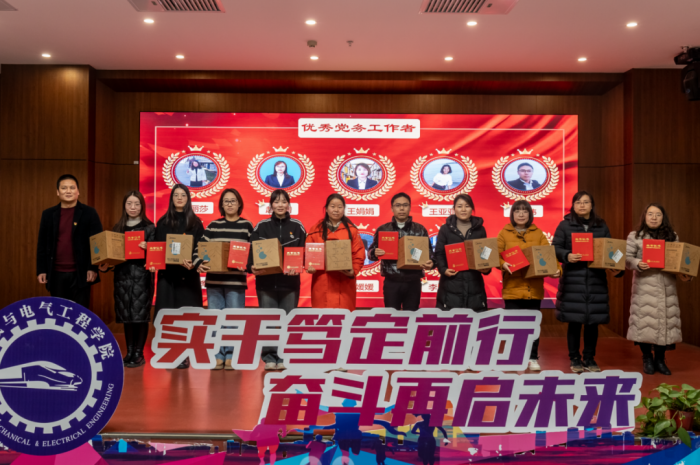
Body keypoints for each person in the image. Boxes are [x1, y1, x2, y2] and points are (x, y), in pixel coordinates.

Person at [552, 191, 623, 373]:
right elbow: (555, 248)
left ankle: (590, 358)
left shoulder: (601, 225)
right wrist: (567, 255)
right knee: (574, 321)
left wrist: (616, 266)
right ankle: (575, 358)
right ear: (573, 205)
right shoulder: (564, 225)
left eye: (585, 202)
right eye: (578, 202)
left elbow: (610, 250)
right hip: (573, 280)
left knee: (593, 322)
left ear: (592, 205)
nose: (582, 205)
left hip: (596, 280)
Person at [625, 204, 693, 375]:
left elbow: (677, 260)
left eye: (658, 214)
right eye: (650, 214)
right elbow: (626, 258)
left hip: (666, 286)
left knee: (665, 324)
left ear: (663, 217)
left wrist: (685, 272)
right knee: (644, 323)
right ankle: (647, 358)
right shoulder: (635, 236)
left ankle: (660, 360)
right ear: (645, 216)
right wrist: (637, 263)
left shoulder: (672, 236)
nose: (654, 217)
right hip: (644, 285)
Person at [497, 200, 561, 371]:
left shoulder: (538, 233)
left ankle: (532, 357)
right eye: (517, 211)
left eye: (524, 211)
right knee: (512, 325)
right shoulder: (504, 233)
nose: (521, 214)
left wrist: (557, 270)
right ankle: (513, 356)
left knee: (533, 325)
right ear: (512, 214)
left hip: (533, 287)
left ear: (530, 214)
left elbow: (548, 255)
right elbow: (496, 255)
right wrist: (502, 264)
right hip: (512, 287)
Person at [193, 189, 253, 370]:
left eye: (233, 201)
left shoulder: (247, 226)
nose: (229, 204)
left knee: (234, 321)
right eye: (226, 201)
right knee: (215, 320)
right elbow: (199, 249)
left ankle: (232, 355)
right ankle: (218, 355)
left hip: (236, 282)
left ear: (239, 203)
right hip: (214, 283)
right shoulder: (213, 226)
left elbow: (254, 252)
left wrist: (247, 265)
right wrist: (198, 263)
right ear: (221, 205)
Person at [249, 189, 306, 370]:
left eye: (283, 201)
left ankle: (284, 356)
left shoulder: (297, 226)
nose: (280, 205)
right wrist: (251, 266)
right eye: (276, 201)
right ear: (271, 205)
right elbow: (251, 251)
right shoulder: (261, 226)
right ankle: (269, 357)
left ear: (289, 205)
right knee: (268, 322)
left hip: (290, 284)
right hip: (266, 284)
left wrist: (301, 265)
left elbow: (305, 253)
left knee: (287, 322)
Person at [98, 191, 155, 368]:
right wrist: (106, 265)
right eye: (129, 203)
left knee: (140, 316)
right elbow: (113, 255)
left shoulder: (149, 227)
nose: (133, 207)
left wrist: (148, 248)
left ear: (142, 206)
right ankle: (129, 352)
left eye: (137, 204)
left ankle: (139, 353)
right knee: (126, 316)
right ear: (124, 206)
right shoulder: (118, 228)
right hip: (122, 276)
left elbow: (156, 255)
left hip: (141, 277)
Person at [151, 184, 204, 369]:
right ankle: (170, 352)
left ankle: (184, 354)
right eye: (176, 195)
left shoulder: (196, 223)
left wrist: (194, 262)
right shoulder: (163, 222)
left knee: (186, 316)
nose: (179, 198)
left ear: (188, 199)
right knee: (168, 316)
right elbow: (157, 248)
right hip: (168, 276)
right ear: (171, 199)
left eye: (183, 195)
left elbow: (200, 248)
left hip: (188, 276)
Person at [36, 174, 103, 309]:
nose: (68, 191)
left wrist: (92, 267)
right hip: (55, 273)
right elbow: (42, 244)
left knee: (79, 313)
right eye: (64, 188)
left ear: (78, 191)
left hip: (81, 274)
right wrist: (41, 270)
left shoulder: (89, 213)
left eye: (72, 188)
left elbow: (98, 242)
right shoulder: (48, 214)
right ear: (57, 192)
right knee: (59, 313)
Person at [368, 193, 434, 311]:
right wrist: (374, 253)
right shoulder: (383, 229)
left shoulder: (420, 229)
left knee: (412, 316)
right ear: (392, 208)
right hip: (391, 282)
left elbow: (429, 253)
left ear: (410, 207)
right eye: (398, 205)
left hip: (413, 281)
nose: (402, 208)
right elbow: (370, 253)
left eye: (405, 205)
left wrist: (431, 262)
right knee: (391, 317)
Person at [306, 194, 365, 310]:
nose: (336, 210)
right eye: (332, 206)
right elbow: (307, 253)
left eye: (340, 207)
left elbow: (358, 253)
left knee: (344, 317)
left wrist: (353, 270)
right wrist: (309, 266)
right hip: (321, 282)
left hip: (345, 282)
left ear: (344, 209)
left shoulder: (352, 230)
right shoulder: (315, 230)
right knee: (322, 317)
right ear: (326, 209)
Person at [434, 194, 490, 311]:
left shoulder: (480, 230)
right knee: (450, 320)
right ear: (454, 209)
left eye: (467, 206)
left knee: (475, 320)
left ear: (472, 208)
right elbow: (439, 253)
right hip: (451, 284)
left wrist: (486, 268)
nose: (463, 209)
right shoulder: (445, 229)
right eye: (459, 206)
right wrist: (444, 269)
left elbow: (485, 254)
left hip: (474, 284)